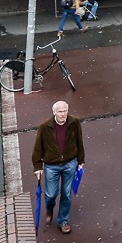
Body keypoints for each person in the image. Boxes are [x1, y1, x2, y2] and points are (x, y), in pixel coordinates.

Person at [31, 100, 86, 235]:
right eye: (60, 111)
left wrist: (81, 160)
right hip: (51, 165)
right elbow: (38, 147)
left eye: (65, 111)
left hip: (70, 163)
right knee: (51, 194)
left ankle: (63, 221)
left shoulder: (74, 122)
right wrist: (37, 166)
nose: (63, 114)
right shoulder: (44, 127)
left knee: (66, 194)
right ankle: (49, 208)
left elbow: (79, 141)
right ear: (54, 112)